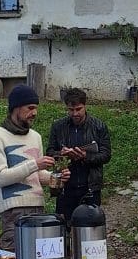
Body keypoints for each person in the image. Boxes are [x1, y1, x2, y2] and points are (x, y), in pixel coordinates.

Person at [0, 84, 69, 250]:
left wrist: (55, 177)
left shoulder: (35, 137)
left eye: (36, 108)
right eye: (30, 108)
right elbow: (0, 177)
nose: (34, 113)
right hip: (13, 211)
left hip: (38, 207)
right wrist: (35, 164)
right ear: (16, 108)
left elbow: (37, 175)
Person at [46, 88, 111, 224]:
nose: (75, 113)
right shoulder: (58, 127)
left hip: (90, 187)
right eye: (71, 110)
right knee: (64, 228)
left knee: (89, 228)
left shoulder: (98, 126)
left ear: (85, 106)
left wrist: (85, 156)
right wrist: (61, 154)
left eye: (78, 109)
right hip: (65, 188)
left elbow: (106, 155)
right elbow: (50, 153)